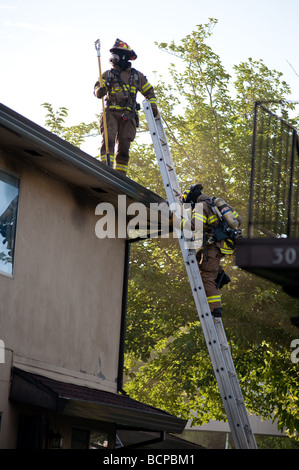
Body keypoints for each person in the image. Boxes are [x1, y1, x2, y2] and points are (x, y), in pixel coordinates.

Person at [94, 38, 158, 175]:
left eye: (117, 54)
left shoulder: (136, 76)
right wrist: (100, 91)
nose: (113, 58)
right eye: (113, 55)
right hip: (110, 113)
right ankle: (106, 169)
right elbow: (97, 90)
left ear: (124, 57)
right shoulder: (108, 74)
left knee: (124, 147)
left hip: (128, 117)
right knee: (108, 141)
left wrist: (153, 107)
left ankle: (120, 177)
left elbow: (149, 92)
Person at [180, 184, 242, 318]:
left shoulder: (201, 206)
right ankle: (221, 275)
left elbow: (195, 226)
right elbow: (239, 220)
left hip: (215, 246)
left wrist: (177, 222)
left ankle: (215, 309)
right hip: (226, 244)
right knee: (198, 259)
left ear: (191, 200)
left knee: (206, 275)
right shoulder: (217, 203)